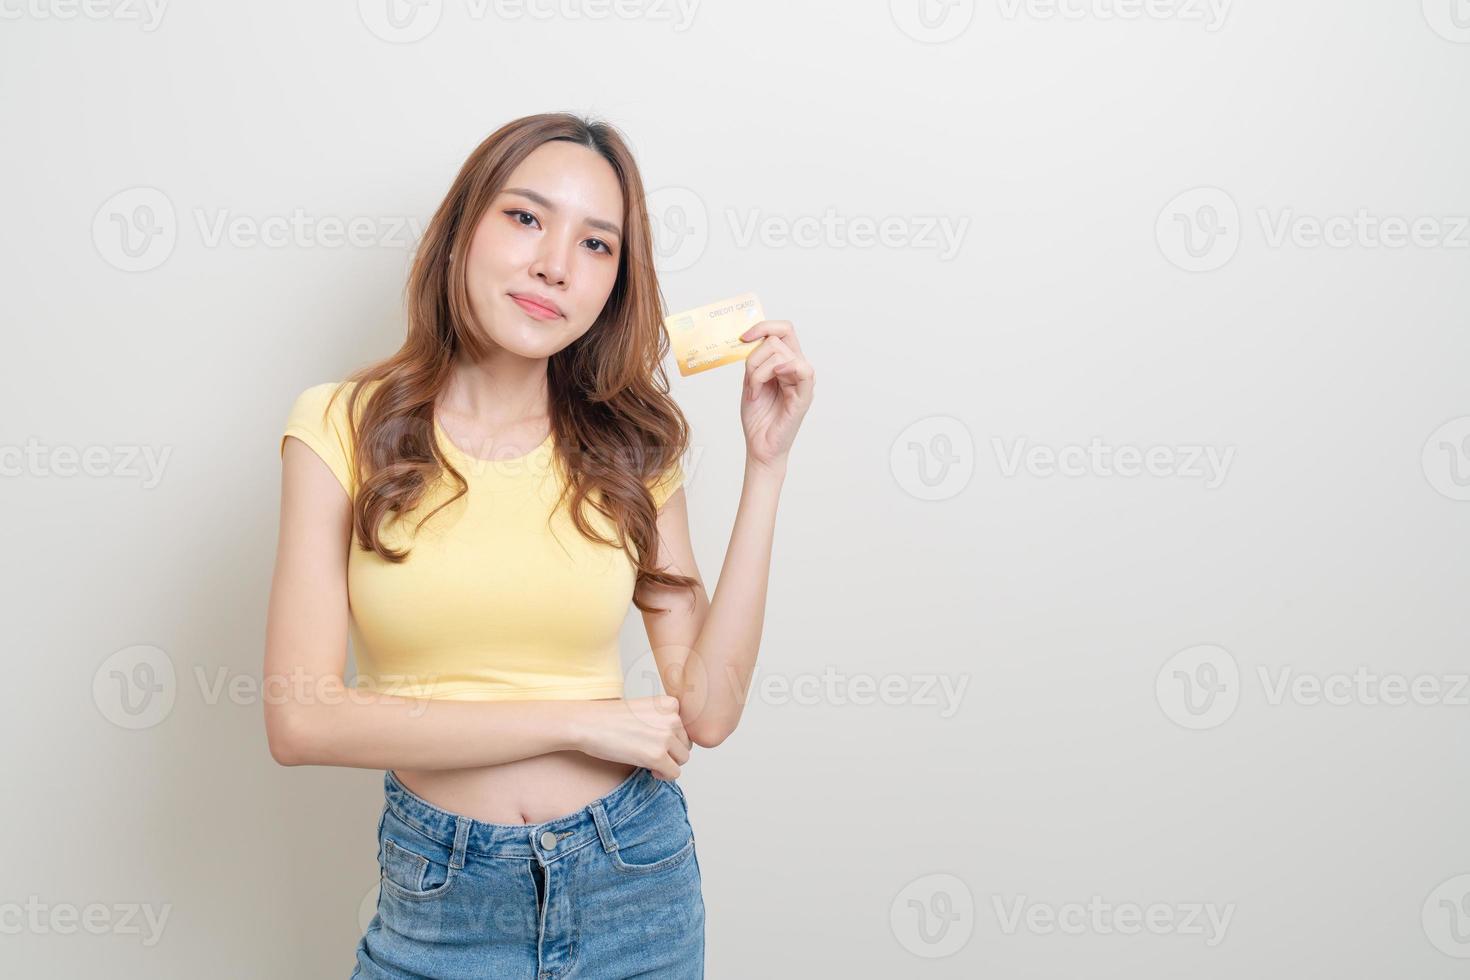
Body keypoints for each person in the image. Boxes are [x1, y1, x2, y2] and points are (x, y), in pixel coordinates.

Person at [263, 112, 815, 978]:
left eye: (597, 245)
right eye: (525, 218)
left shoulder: (631, 447)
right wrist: (575, 722)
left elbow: (706, 708)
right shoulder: (339, 427)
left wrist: (767, 468)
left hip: (634, 882)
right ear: (461, 233)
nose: (556, 263)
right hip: (441, 901)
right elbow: (299, 719)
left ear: (614, 285)